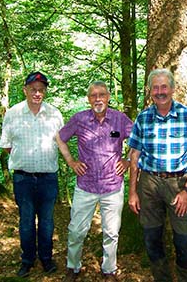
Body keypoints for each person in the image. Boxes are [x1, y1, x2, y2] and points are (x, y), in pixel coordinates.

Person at [128, 68, 187, 282]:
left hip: (179, 183)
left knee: (183, 240)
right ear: (150, 91)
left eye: (164, 87)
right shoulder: (143, 118)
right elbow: (134, 155)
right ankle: (161, 277)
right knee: (151, 236)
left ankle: (186, 279)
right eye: (156, 87)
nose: (160, 91)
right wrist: (133, 192)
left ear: (172, 89)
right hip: (149, 183)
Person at [56, 81, 133, 282]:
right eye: (93, 95)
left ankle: (109, 269)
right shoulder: (79, 119)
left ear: (108, 97)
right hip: (85, 186)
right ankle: (73, 267)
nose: (98, 99)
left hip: (112, 185)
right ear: (88, 99)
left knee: (111, 232)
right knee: (76, 230)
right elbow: (60, 138)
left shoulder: (119, 119)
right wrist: (71, 161)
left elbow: (138, 140)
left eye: (101, 94)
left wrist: (127, 160)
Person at [0, 71, 63, 277]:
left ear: (45, 92)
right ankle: (27, 260)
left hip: (48, 179)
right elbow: (7, 145)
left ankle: (46, 259)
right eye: (33, 89)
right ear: (25, 90)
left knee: (46, 221)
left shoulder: (55, 114)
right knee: (26, 221)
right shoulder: (13, 114)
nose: (37, 93)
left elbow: (61, 143)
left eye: (41, 90)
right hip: (23, 178)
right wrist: (24, 159)